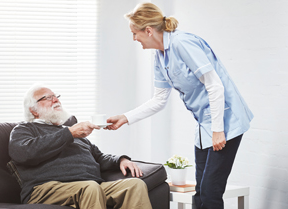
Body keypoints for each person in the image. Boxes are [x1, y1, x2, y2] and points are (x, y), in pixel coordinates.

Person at [106, 3, 254, 209]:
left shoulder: (182, 43)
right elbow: (159, 100)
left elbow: (215, 85)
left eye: (134, 33)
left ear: (148, 30)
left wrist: (218, 130)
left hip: (226, 121)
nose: (134, 39)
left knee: (211, 192)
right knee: (200, 194)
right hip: (204, 125)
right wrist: (125, 117)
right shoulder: (159, 56)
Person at [8, 84, 152, 209]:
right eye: (47, 97)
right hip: (46, 189)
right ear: (33, 110)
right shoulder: (25, 129)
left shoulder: (71, 131)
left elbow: (99, 157)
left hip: (88, 186)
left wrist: (121, 160)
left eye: (55, 96)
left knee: (134, 185)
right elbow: (23, 153)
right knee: (90, 188)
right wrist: (70, 133)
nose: (56, 100)